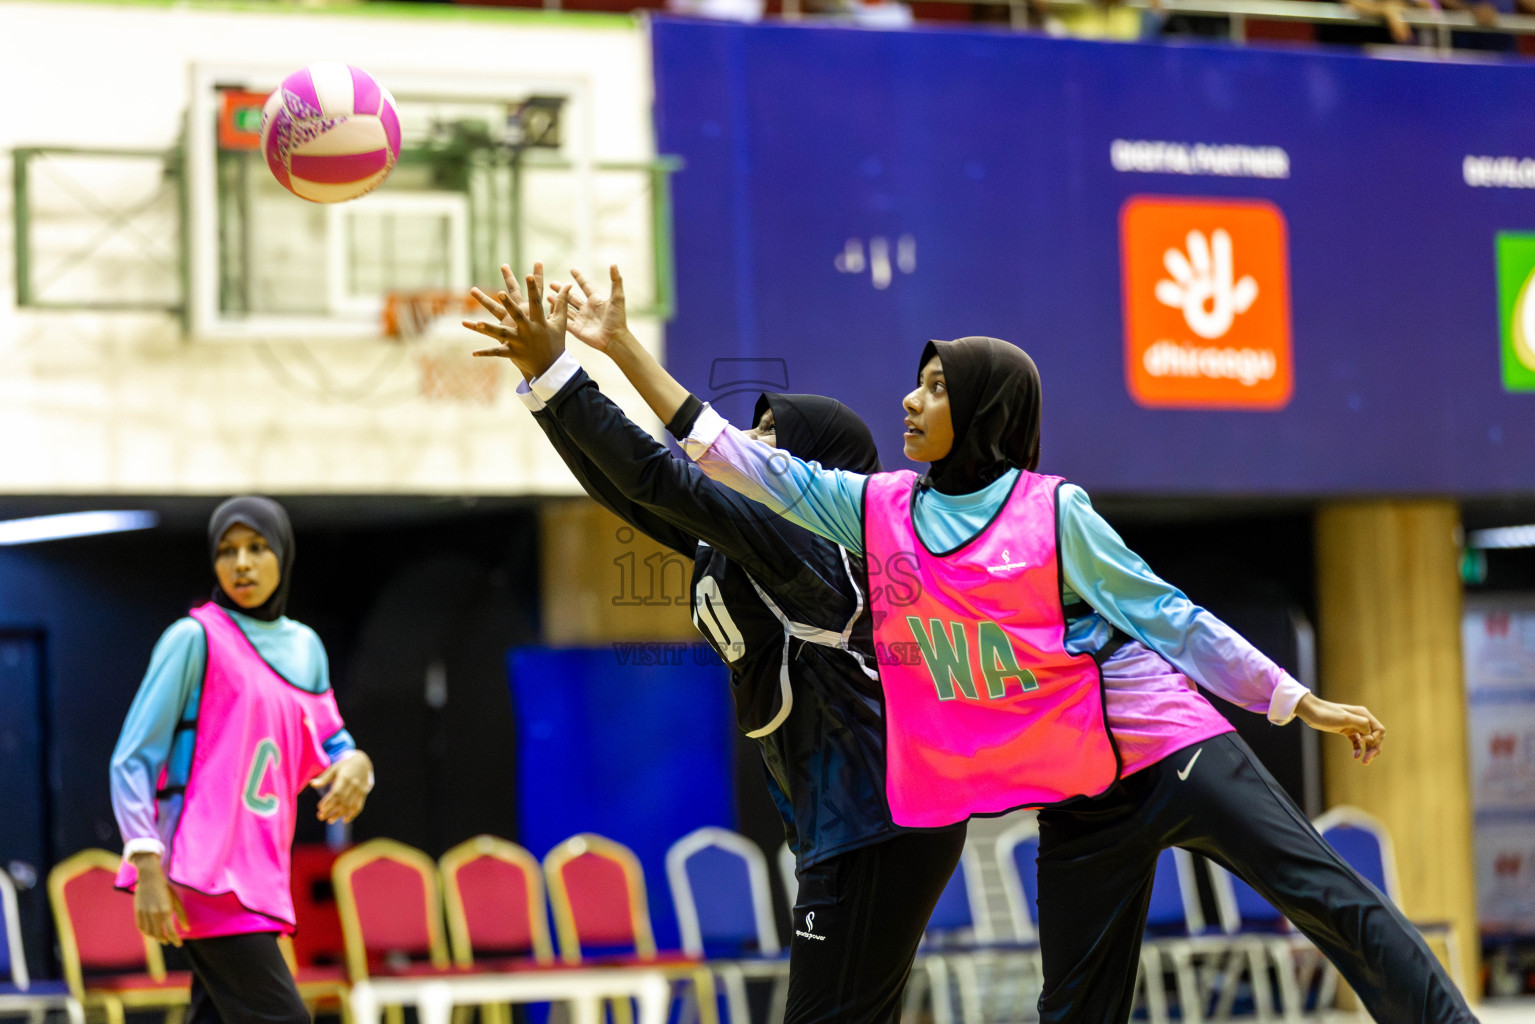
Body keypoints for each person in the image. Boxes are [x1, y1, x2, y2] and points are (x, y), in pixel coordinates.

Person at [524, 264, 1477, 1024]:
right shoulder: (880, 511)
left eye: (935, 389)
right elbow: (722, 455)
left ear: (979, 413)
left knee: (1329, 898)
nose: (909, 400)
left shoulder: (1051, 510)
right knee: (1071, 1009)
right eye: (914, 381)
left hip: (1169, 749)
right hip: (1078, 800)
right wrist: (618, 351)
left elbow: (1166, 614)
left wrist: (1290, 700)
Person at [462, 265, 966, 1024]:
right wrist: (542, 382)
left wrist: (564, 371)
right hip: (839, 821)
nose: (740, 447)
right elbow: (629, 489)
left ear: (815, 470)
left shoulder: (820, 550)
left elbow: (666, 480)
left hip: (878, 825)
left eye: (766, 436)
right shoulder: (741, 542)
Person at [111, 497, 374, 1024]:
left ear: (283, 554)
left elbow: (333, 742)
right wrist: (146, 867)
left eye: (257, 547)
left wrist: (358, 766)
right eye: (228, 551)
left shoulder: (305, 646)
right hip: (202, 871)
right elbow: (132, 759)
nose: (242, 564)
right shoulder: (195, 637)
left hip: (262, 873)